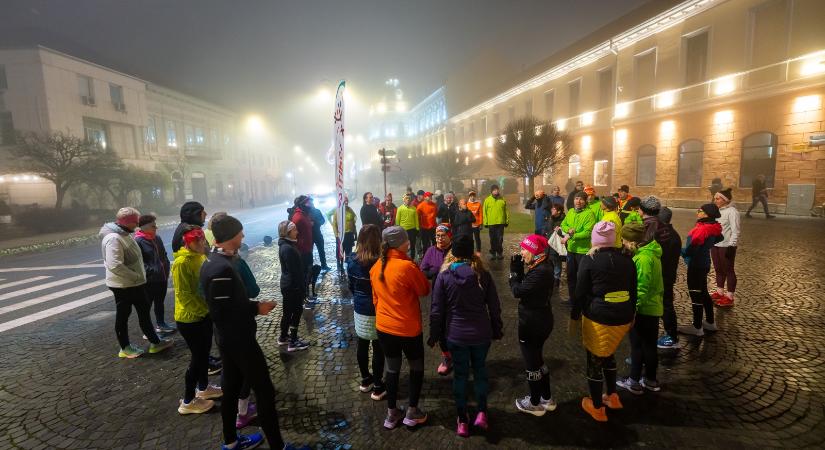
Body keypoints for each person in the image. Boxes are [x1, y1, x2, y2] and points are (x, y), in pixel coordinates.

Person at [200, 215, 287, 450]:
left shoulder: (216, 260)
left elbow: (227, 303)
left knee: (230, 389)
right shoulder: (220, 268)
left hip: (228, 338)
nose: (243, 236)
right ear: (230, 236)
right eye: (240, 233)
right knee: (265, 391)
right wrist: (256, 307)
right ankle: (278, 446)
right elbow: (223, 310)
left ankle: (230, 442)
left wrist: (253, 307)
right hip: (238, 339)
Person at [430, 235, 503, 436]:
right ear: (472, 252)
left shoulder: (444, 276)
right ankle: (482, 413)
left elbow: (437, 310)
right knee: (480, 372)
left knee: (460, 376)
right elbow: (494, 306)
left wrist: (434, 334)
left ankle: (462, 419)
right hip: (481, 334)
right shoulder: (483, 274)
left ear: (453, 253)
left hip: (456, 335)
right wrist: (497, 329)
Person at [569, 221, 636, 423]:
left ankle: (597, 406)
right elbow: (633, 290)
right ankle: (613, 396)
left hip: (599, 317)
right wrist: (632, 314)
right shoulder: (628, 260)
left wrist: (574, 315)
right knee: (609, 353)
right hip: (623, 316)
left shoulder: (590, 260)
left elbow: (579, 292)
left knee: (595, 360)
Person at [370, 226, 431, 429]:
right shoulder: (406, 266)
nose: (409, 242)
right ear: (400, 243)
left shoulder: (376, 266)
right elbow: (424, 289)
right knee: (416, 367)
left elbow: (375, 299)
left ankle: (391, 414)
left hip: (384, 328)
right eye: (406, 240)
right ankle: (412, 411)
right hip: (407, 328)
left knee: (393, 369)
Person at [100, 207, 173, 359]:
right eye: (136, 222)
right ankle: (125, 347)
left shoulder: (124, 235)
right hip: (124, 285)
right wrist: (135, 276)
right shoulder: (114, 238)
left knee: (144, 311)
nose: (138, 225)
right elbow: (115, 265)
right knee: (124, 315)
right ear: (129, 222)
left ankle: (155, 342)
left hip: (134, 283)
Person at [172, 226, 223, 415]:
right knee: (198, 358)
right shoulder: (182, 263)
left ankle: (203, 388)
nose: (202, 243)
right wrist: (205, 310)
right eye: (197, 241)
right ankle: (187, 401)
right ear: (188, 242)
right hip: (190, 319)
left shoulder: (200, 257)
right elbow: (184, 295)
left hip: (204, 314)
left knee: (203, 355)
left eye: (202, 240)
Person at [509, 234, 556, 416]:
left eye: (524, 249)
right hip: (541, 318)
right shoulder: (543, 264)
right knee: (538, 358)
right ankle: (547, 398)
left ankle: (535, 402)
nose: (521, 252)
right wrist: (520, 270)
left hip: (532, 322)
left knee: (531, 363)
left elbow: (518, 291)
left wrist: (513, 274)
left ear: (534, 251)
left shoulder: (540, 271)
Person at [616, 222, 664, 395]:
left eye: (624, 239)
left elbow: (641, 288)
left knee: (637, 345)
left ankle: (634, 381)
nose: (622, 243)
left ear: (632, 240)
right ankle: (650, 379)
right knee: (649, 346)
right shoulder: (649, 252)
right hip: (652, 307)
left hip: (644, 309)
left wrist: (632, 310)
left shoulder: (643, 259)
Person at [346, 225, 386, 401]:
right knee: (378, 348)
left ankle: (365, 379)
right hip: (378, 309)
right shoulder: (381, 262)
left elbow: (351, 286)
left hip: (360, 308)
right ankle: (377, 386)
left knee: (362, 344)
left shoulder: (352, 261)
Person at [678, 204, 723, 337]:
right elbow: (719, 238)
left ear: (707, 214)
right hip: (704, 263)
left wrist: (679, 250)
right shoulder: (713, 227)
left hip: (696, 265)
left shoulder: (703, 229)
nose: (698, 212)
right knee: (703, 292)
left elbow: (692, 249)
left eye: (701, 211)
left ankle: (697, 326)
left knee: (695, 294)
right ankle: (710, 322)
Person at [420, 224, 454, 376]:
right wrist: (434, 271)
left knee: (454, 326)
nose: (440, 239)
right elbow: (423, 271)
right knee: (440, 326)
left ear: (449, 236)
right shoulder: (431, 251)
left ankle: (460, 356)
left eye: (443, 235)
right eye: (437, 236)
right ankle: (447, 357)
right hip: (438, 296)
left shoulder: (455, 250)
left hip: (455, 296)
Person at [134, 214, 174, 333]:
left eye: (155, 225)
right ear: (145, 227)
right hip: (150, 280)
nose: (156, 228)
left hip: (162, 277)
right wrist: (151, 271)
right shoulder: (138, 241)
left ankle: (161, 324)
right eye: (153, 226)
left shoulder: (157, 238)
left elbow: (164, 255)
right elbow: (139, 261)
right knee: (147, 306)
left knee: (160, 302)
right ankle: (148, 330)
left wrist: (166, 267)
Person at [277, 220, 311, 352]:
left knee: (287, 312)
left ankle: (283, 337)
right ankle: (293, 341)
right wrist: (301, 288)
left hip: (288, 284)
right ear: (288, 232)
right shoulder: (288, 249)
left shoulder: (286, 245)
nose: (297, 231)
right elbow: (294, 272)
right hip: (292, 286)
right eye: (295, 229)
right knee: (296, 312)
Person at [557, 191, 596, 304]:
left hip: (582, 251)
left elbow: (588, 233)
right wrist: (568, 229)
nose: (578, 201)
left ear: (585, 201)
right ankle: (572, 300)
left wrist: (570, 236)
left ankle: (581, 301)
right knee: (571, 276)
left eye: (581, 199)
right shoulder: (570, 212)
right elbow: (563, 225)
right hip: (571, 250)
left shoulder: (589, 214)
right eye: (576, 199)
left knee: (582, 278)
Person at [655, 207, 683, 350]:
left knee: (666, 305)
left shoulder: (665, 236)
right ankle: (670, 333)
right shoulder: (672, 234)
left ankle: (672, 336)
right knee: (665, 304)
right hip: (667, 274)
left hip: (664, 275)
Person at [712, 188, 740, 308]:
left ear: (725, 200)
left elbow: (736, 230)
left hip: (726, 246)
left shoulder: (732, 212)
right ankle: (719, 292)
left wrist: (732, 245)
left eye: (717, 198)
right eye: (715, 198)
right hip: (715, 245)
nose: (715, 200)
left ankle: (729, 296)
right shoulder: (717, 211)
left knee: (728, 270)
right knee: (718, 269)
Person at [288, 195, 315, 301]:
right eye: (308, 203)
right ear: (302, 204)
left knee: (308, 272)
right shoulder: (298, 217)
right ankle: (303, 295)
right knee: (303, 273)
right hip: (302, 251)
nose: (310, 205)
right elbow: (292, 233)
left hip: (308, 249)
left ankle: (306, 293)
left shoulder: (305, 214)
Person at [328, 196, 358, 269]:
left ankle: (348, 265)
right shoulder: (337, 211)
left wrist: (355, 233)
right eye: (345, 201)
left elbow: (355, 218)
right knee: (340, 250)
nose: (347, 202)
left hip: (349, 234)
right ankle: (339, 265)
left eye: (347, 201)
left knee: (349, 251)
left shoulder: (350, 209)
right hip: (340, 235)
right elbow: (334, 224)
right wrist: (336, 235)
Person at [483, 184, 509, 260]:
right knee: (493, 239)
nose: (496, 191)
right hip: (491, 223)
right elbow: (484, 212)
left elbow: (506, 211)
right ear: (491, 191)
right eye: (494, 190)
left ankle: (500, 253)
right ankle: (493, 253)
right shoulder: (487, 200)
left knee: (500, 239)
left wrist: (506, 221)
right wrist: (485, 222)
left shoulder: (502, 199)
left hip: (500, 222)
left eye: (497, 190)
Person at [543, 203, 566, 288]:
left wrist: (559, 231)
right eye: (552, 209)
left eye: (554, 209)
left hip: (557, 245)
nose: (551, 210)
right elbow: (546, 229)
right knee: (549, 262)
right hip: (548, 244)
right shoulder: (550, 218)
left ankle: (556, 280)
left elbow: (564, 233)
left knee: (557, 263)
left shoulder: (564, 220)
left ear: (559, 211)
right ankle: (551, 278)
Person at [308, 197, 330, 272]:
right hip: (309, 235)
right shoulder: (305, 212)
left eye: (311, 202)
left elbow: (323, 221)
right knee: (309, 252)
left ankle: (324, 265)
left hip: (317, 233)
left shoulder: (317, 211)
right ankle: (310, 267)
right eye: (309, 202)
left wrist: (315, 222)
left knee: (321, 250)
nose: (311, 204)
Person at [395, 193, 420, 260]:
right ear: (403, 200)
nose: (408, 200)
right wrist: (398, 229)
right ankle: (403, 258)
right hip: (403, 230)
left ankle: (412, 258)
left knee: (412, 245)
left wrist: (417, 229)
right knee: (403, 245)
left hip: (412, 230)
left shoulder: (414, 208)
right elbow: (397, 220)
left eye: (409, 198)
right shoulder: (400, 208)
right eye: (406, 198)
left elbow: (416, 219)